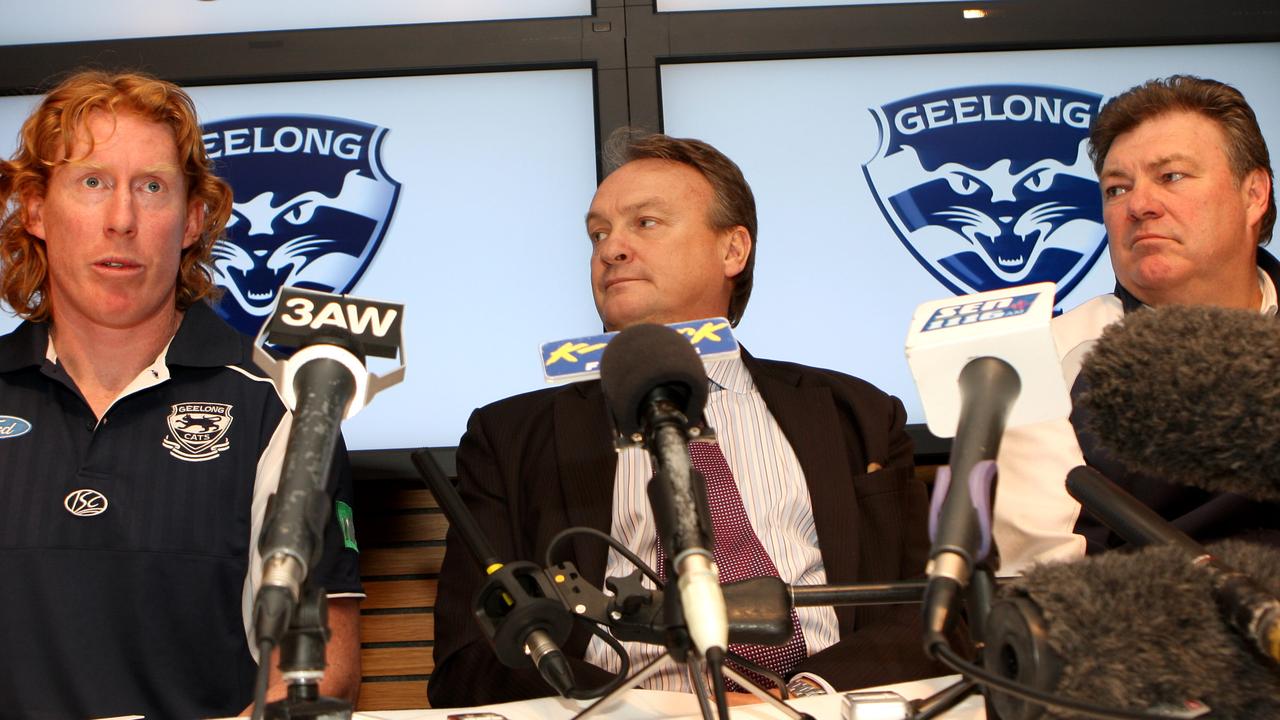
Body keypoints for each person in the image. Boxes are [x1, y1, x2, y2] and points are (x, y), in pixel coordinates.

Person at [429, 131, 940, 707]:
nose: (610, 249)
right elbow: (470, 657)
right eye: (599, 233)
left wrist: (802, 698)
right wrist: (638, 712)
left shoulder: (858, 413)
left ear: (733, 251)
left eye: (644, 223)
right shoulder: (510, 436)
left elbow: (930, 612)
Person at [0, 70, 363, 718]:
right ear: (34, 209)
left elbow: (320, 665)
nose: (122, 219)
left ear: (193, 218)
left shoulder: (279, 408)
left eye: (152, 187)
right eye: (92, 182)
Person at [993, 75, 1278, 574]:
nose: (1138, 205)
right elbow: (1044, 579)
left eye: (1171, 177)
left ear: (1254, 194)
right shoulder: (1040, 357)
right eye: (1116, 189)